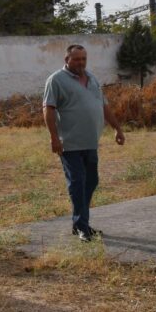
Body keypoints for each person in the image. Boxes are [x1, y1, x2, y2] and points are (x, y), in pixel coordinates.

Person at [42, 44, 126, 242]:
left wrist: (117, 128)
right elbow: (49, 109)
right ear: (67, 60)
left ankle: (79, 222)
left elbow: (103, 106)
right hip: (69, 143)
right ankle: (82, 226)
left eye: (83, 59)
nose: (80, 63)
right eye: (76, 59)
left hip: (91, 142)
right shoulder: (56, 80)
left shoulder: (92, 78)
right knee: (78, 183)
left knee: (91, 181)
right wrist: (54, 137)